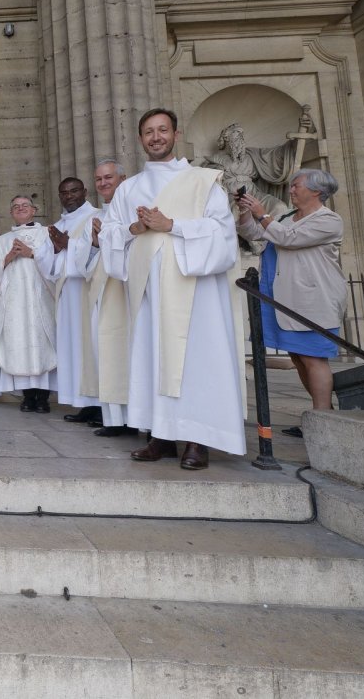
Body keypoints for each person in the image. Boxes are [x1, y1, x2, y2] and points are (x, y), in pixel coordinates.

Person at [100, 108, 246, 471]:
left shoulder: (202, 181)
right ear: (140, 140)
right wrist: (133, 230)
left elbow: (223, 235)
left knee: (195, 362)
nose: (156, 137)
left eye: (162, 130)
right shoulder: (128, 187)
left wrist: (172, 225)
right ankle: (161, 436)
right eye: (148, 132)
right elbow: (109, 234)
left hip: (193, 291)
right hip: (148, 291)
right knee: (152, 357)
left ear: (176, 135)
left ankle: (197, 440)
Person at [237, 168, 347, 436]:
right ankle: (322, 414)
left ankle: (323, 421)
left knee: (314, 358)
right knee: (298, 357)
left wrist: (262, 214)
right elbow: (254, 233)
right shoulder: (288, 217)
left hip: (311, 300)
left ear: (317, 191)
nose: (291, 190)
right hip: (284, 299)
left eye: (297, 186)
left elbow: (288, 239)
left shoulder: (329, 220)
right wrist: (244, 210)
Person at [0, 195, 56, 412]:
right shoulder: (0, 241)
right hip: (14, 303)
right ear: (11, 213)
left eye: (25, 205)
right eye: (16, 207)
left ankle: (43, 398)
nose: (21, 209)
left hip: (41, 299)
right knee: (19, 346)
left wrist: (31, 253)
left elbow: (57, 264)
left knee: (42, 345)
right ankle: (27, 397)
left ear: (34, 210)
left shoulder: (48, 235)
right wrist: (8, 257)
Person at [82, 160, 136, 437]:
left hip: (128, 293)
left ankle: (135, 418)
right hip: (104, 292)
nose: (103, 183)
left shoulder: (134, 210)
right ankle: (114, 419)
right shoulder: (96, 217)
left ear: (123, 178)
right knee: (107, 353)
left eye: (108, 178)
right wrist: (94, 242)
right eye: (99, 179)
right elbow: (87, 265)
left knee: (128, 355)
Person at [48, 177, 103, 424]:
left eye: (74, 191)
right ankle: (84, 403)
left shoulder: (96, 217)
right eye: (64, 192)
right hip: (66, 292)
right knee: (74, 348)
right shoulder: (59, 223)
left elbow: (98, 251)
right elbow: (47, 261)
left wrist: (67, 244)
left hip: (88, 291)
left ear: (85, 192)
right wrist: (56, 250)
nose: (69, 196)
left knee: (92, 347)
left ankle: (101, 404)